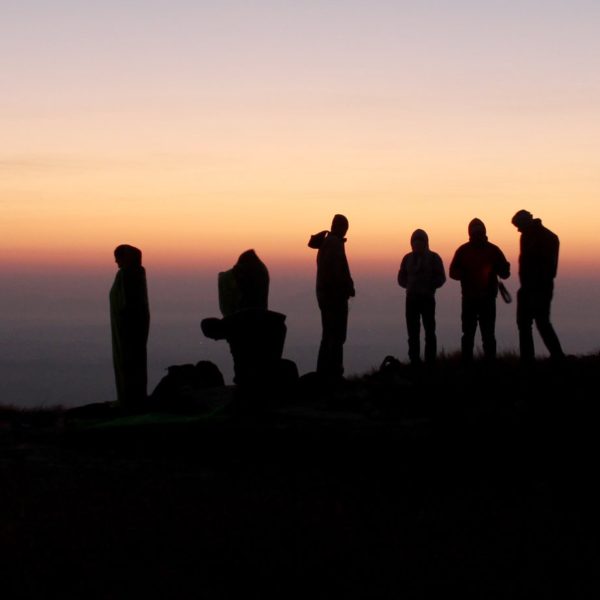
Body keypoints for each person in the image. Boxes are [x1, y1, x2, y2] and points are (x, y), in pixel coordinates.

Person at [449, 219, 510, 361]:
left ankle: (473, 365)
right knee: (479, 335)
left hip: (480, 299)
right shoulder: (491, 250)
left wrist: (502, 268)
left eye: (479, 232)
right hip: (476, 299)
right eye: (476, 232)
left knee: (477, 335)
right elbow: (453, 272)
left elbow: (505, 274)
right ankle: (485, 366)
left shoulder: (465, 250)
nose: (477, 234)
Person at [511, 210, 565, 362]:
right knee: (525, 324)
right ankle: (528, 359)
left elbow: (548, 267)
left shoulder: (548, 237)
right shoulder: (527, 236)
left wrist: (534, 285)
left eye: (519, 226)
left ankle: (557, 357)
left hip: (540, 287)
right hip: (528, 287)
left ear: (526, 222)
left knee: (541, 323)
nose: (518, 230)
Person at [308, 214, 355, 378]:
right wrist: (347, 287)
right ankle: (333, 373)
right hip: (334, 297)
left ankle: (325, 372)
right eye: (345, 227)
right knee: (336, 335)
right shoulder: (334, 244)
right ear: (340, 227)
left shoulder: (328, 243)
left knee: (329, 334)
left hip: (326, 295)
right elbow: (336, 271)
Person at [110, 244, 150, 408]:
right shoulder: (136, 273)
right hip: (130, 325)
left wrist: (124, 322)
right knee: (133, 361)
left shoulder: (127, 275)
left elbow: (128, 303)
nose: (115, 261)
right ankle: (132, 398)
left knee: (129, 362)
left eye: (118, 257)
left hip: (128, 328)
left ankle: (130, 400)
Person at [398, 229, 446, 364]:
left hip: (427, 300)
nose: (417, 244)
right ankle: (415, 360)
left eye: (420, 241)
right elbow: (401, 277)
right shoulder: (407, 258)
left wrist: (430, 286)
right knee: (413, 333)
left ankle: (430, 360)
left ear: (425, 243)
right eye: (415, 242)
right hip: (411, 300)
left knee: (429, 332)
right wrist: (409, 286)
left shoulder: (434, 258)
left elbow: (441, 277)